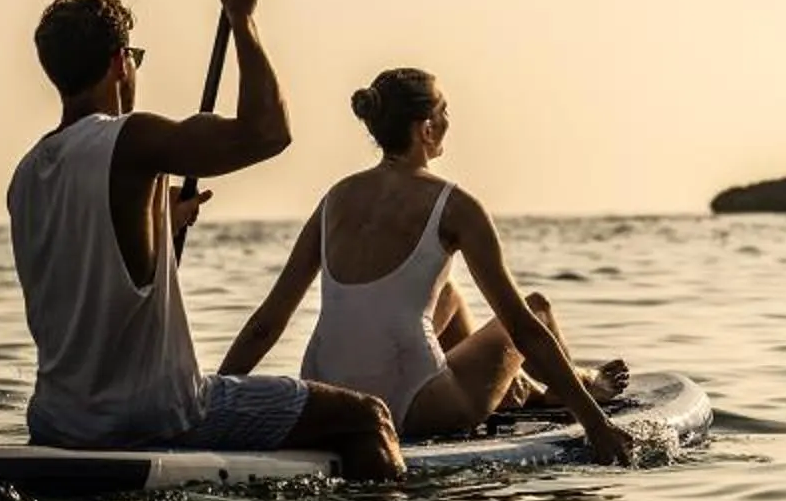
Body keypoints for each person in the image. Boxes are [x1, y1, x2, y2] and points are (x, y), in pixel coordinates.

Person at [7, 0, 405, 480]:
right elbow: (267, 133)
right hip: (156, 415)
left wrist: (160, 227)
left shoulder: (27, 174)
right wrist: (242, 18)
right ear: (120, 63)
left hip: (58, 422)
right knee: (368, 419)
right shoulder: (131, 138)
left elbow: (88, 276)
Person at [219, 67, 637, 465]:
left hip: (328, 398)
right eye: (444, 112)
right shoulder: (456, 206)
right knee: (538, 307)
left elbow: (267, 322)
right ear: (426, 129)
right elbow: (523, 327)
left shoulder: (335, 199)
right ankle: (570, 389)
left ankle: (521, 387)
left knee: (449, 295)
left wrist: (212, 403)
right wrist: (595, 426)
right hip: (414, 403)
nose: (449, 121)